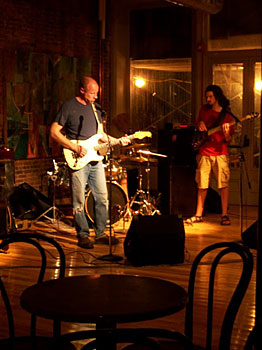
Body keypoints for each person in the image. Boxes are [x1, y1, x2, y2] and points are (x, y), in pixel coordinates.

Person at [50, 76, 130, 248]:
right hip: (78, 158)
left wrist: (118, 141)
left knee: (102, 197)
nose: (95, 97)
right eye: (92, 93)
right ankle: (83, 235)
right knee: (78, 200)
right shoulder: (69, 107)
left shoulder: (96, 109)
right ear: (82, 90)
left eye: (97, 93)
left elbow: (100, 136)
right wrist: (74, 147)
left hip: (95, 159)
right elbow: (54, 132)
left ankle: (100, 233)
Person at [187, 84, 234, 226]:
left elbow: (229, 139)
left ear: (217, 97)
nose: (207, 99)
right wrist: (200, 124)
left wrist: (226, 132)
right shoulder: (203, 110)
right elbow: (197, 127)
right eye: (206, 96)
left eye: (210, 97)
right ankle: (198, 214)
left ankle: (224, 215)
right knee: (202, 184)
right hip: (204, 151)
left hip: (220, 152)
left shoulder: (227, 114)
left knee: (223, 184)